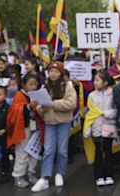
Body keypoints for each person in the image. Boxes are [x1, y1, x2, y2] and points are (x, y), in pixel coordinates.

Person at [31, 61, 77, 192]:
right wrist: (41, 108)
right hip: (50, 122)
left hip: (63, 122)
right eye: (51, 71)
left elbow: (71, 104)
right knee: (48, 150)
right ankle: (44, 178)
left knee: (62, 150)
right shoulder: (45, 87)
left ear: (61, 73)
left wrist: (53, 104)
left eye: (56, 71)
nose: (53, 74)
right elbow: (40, 106)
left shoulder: (68, 87)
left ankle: (60, 173)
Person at [7, 73, 43, 188]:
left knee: (34, 152)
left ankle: (30, 173)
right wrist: (28, 106)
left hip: (35, 127)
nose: (33, 87)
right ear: (23, 85)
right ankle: (18, 176)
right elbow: (14, 110)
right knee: (22, 153)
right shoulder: (19, 95)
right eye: (30, 84)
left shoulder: (37, 94)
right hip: (23, 128)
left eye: (35, 84)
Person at [83, 70, 118, 186]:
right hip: (97, 127)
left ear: (105, 82)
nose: (95, 82)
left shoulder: (113, 94)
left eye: (97, 80)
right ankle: (98, 176)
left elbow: (116, 109)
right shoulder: (91, 95)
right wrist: (88, 129)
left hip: (109, 126)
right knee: (98, 152)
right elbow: (91, 113)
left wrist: (107, 113)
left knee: (108, 151)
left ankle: (109, 175)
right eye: (94, 80)